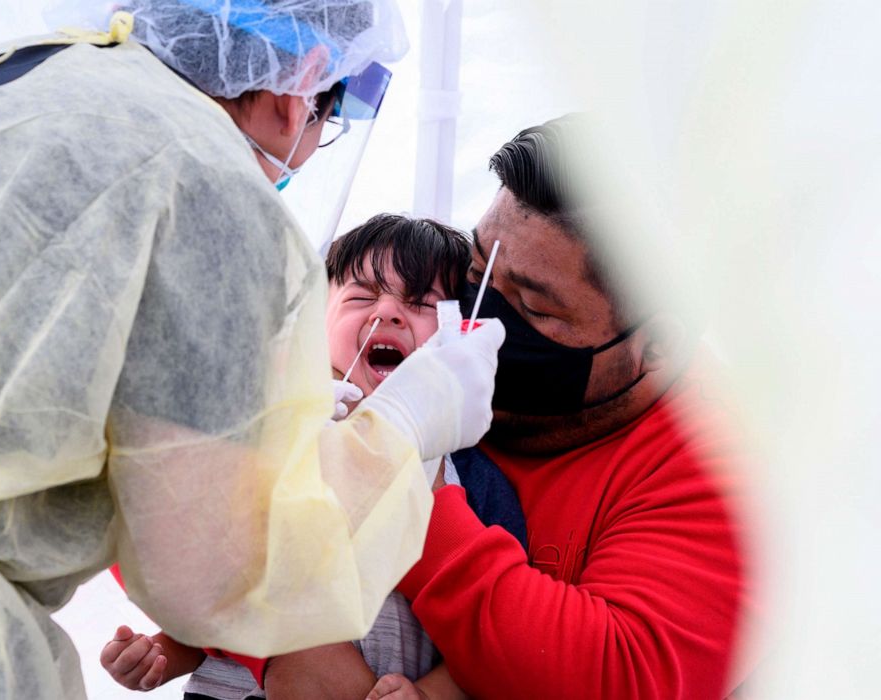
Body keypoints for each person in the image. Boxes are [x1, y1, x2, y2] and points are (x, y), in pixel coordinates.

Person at [0, 3, 506, 698]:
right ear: (300, 81)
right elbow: (220, 575)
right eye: (327, 119)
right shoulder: (212, 189)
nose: (307, 151)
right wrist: (404, 423)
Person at [292, 115, 755, 699]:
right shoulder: (412, 357)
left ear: (655, 347)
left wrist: (390, 485)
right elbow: (191, 498)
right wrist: (270, 646)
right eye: (479, 272)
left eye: (534, 307)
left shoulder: (726, 468)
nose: (484, 317)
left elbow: (614, 676)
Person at [99, 214, 527, 699]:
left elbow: (495, 635)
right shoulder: (266, 433)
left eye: (420, 303)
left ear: (457, 330)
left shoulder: (471, 477)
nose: (386, 313)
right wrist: (163, 652)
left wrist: (430, 694)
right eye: (362, 296)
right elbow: (221, 581)